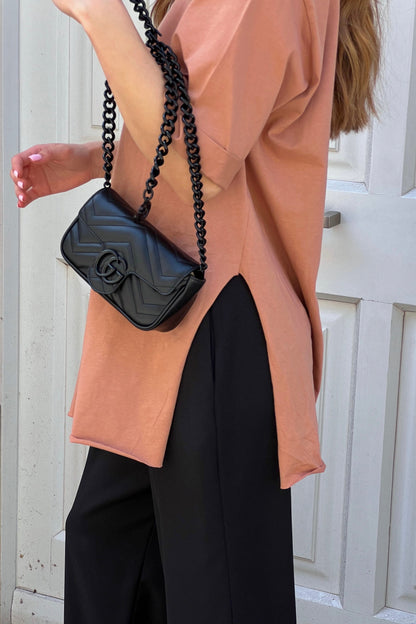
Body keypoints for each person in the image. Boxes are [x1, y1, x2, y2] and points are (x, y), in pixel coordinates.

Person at [11, 0, 381, 622]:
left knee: (215, 594)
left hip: (214, 325)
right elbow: (217, 126)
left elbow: (202, 166)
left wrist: (99, 14)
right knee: (111, 561)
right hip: (170, 317)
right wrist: (98, 157)